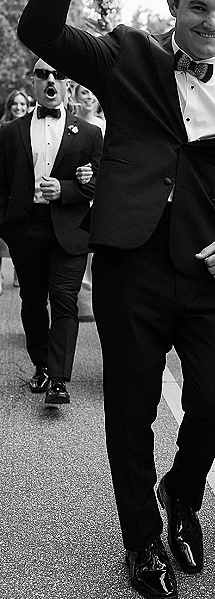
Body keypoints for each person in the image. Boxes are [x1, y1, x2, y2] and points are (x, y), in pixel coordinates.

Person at [18, 0, 215, 599]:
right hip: (129, 264)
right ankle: (142, 539)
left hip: (207, 269)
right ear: (175, 7)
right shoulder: (128, 55)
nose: (213, 22)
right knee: (131, 410)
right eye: (199, 8)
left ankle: (183, 493)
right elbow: (39, 32)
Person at [0, 59, 102, 403]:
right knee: (32, 302)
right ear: (33, 82)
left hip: (70, 230)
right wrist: (7, 226)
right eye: (43, 74)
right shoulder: (10, 132)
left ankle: (59, 378)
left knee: (63, 300)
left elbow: (100, 183)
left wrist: (67, 189)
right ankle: (41, 366)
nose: (51, 81)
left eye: (59, 75)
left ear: (68, 85)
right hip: (26, 230)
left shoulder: (89, 134)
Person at [72, 83, 106, 321]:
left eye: (93, 92)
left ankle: (97, 299)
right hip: (77, 194)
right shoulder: (70, 125)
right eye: (84, 92)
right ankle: (80, 301)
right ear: (75, 94)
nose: (89, 97)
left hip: (103, 194)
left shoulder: (107, 125)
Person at [0, 89, 31, 292]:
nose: (19, 107)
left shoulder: (33, 128)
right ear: (9, 106)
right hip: (5, 186)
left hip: (25, 187)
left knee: (25, 234)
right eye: (15, 104)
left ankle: (22, 273)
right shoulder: (3, 128)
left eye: (22, 104)